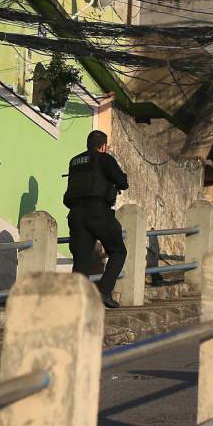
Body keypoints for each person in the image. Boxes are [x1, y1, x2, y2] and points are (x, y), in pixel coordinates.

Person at [64, 129, 129, 308]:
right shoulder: (105, 158)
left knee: (81, 259)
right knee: (118, 251)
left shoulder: (75, 161)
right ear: (103, 146)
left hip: (76, 214)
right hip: (98, 211)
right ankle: (104, 292)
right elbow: (123, 182)